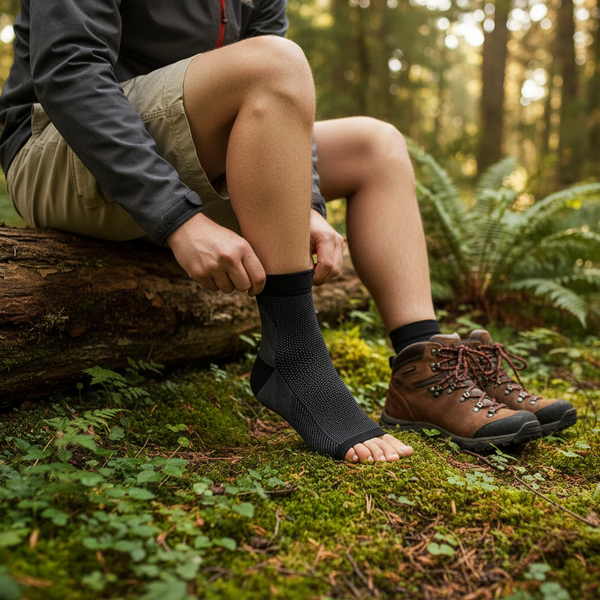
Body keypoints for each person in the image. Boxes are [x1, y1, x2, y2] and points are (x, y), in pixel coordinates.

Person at [0, 1, 576, 464]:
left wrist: (310, 204)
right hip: (61, 152)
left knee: (378, 144)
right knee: (273, 61)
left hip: (190, 153)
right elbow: (68, 71)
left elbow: (284, 106)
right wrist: (175, 217)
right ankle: (294, 358)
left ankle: (421, 368)